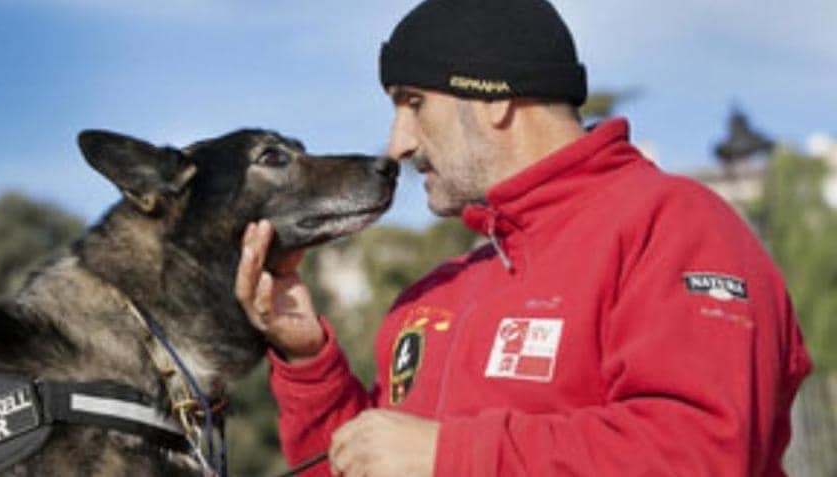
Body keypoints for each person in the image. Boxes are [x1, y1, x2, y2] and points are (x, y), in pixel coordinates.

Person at [234, 0, 812, 475]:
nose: (397, 144)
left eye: (414, 104)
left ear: (493, 98)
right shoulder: (434, 296)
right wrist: (308, 361)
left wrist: (451, 456)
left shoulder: (674, 224)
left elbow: (703, 453)